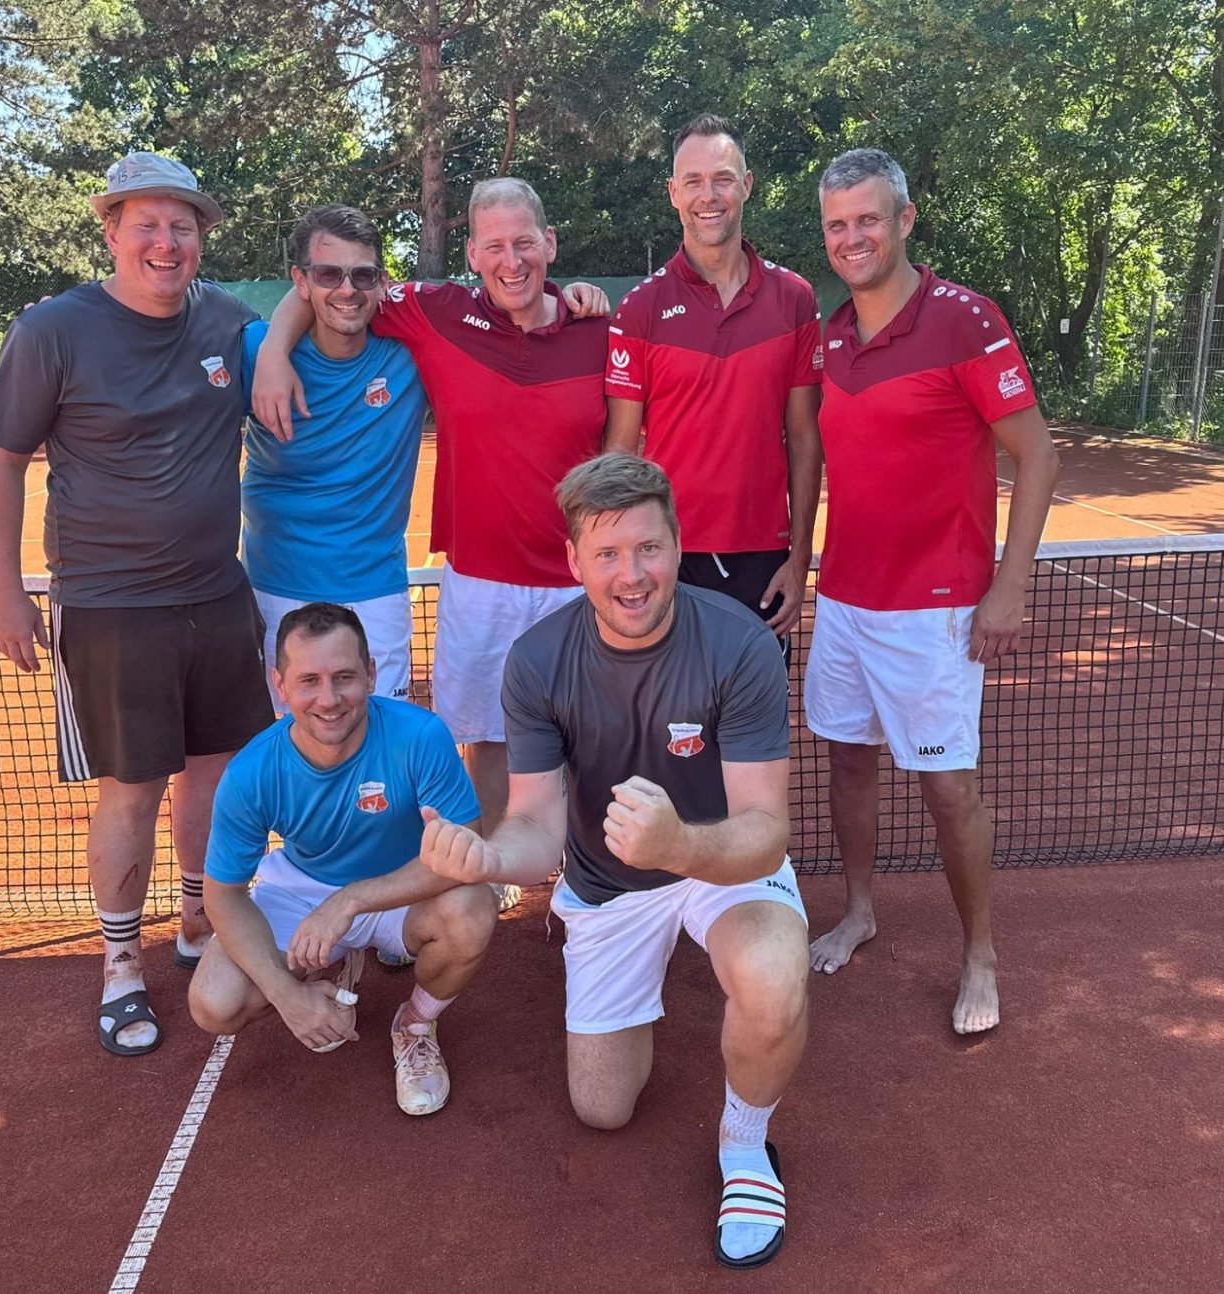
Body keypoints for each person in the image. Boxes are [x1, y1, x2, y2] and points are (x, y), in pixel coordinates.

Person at [418, 453, 808, 1268]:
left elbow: (766, 828)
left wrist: (680, 845)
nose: (631, 576)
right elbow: (537, 824)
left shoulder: (740, 643)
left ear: (677, 545)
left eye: (648, 548)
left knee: (774, 973)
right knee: (603, 1109)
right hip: (606, 882)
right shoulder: (536, 661)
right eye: (607, 554)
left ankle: (746, 1146)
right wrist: (487, 857)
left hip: (720, 859)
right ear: (574, 561)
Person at [0, 152, 274, 1057]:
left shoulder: (227, 318)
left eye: (182, 226)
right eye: (146, 224)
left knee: (215, 778)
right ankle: (120, 964)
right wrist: (5, 593)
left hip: (218, 593)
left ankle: (197, 922)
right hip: (109, 606)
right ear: (111, 231)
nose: (165, 242)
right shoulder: (52, 330)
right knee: (131, 792)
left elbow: (313, 318)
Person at [251, 179, 609, 847]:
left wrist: (583, 296)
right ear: (471, 254)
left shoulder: (599, 332)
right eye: (494, 246)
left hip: (577, 582)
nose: (511, 261)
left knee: (588, 740)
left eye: (525, 243)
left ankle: (585, 875)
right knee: (486, 739)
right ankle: (497, 868)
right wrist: (273, 351)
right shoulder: (434, 313)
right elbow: (332, 289)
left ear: (550, 244)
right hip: (478, 581)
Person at [805, 148, 1059, 1034]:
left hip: (939, 607)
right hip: (845, 599)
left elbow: (1037, 456)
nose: (852, 238)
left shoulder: (966, 320)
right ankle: (859, 910)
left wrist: (1008, 589)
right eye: (837, 225)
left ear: (904, 221)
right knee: (847, 760)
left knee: (949, 790)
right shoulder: (831, 335)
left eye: (868, 219)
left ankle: (979, 952)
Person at [189, 603, 496, 1116]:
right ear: (280, 685)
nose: (329, 699)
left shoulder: (421, 735)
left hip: (400, 887)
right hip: (302, 887)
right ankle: (318, 977)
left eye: (345, 677)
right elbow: (223, 896)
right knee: (215, 1003)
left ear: (371, 674)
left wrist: (350, 901)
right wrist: (287, 996)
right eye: (308, 681)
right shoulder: (251, 772)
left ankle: (415, 1025)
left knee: (473, 908)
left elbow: (465, 849)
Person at [604, 113, 822, 646]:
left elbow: (804, 438)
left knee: (755, 701)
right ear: (673, 193)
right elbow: (620, 453)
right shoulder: (639, 310)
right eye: (694, 181)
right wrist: (622, 563)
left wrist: (799, 559)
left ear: (746, 185)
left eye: (723, 179)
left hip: (763, 559)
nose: (709, 196)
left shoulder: (795, 300)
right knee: (667, 704)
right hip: (665, 557)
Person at [240, 204, 428, 708]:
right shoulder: (254, 351)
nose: (347, 289)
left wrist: (566, 297)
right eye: (328, 274)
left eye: (362, 275)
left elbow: (502, 303)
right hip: (275, 589)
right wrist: (273, 352)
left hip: (376, 589)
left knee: (383, 740)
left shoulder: (412, 349)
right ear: (300, 280)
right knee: (291, 741)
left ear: (382, 281)